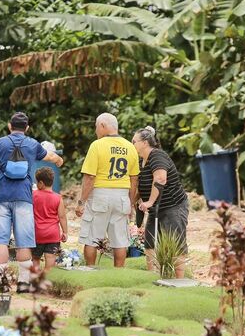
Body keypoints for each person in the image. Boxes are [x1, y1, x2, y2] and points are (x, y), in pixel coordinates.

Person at [0, 112, 63, 289]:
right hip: (23, 197)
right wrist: (59, 161)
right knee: (24, 241)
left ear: (9, 126)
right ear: (27, 128)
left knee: (0, 240)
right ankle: (23, 283)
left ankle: (0, 282)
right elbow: (51, 157)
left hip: (0, 197)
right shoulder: (32, 144)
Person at [75, 113, 139, 268]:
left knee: (92, 237)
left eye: (96, 127)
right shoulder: (130, 147)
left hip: (100, 195)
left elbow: (90, 177)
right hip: (122, 196)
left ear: (103, 125)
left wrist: (81, 202)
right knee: (120, 240)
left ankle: (90, 270)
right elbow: (134, 179)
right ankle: (118, 274)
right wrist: (130, 204)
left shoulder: (97, 145)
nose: (96, 131)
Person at [131, 126, 189, 277]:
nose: (132, 144)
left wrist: (149, 202)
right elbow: (140, 186)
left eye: (134, 141)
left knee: (175, 242)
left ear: (144, 142)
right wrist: (132, 202)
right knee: (150, 241)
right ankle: (152, 275)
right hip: (156, 208)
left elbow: (160, 178)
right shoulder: (141, 160)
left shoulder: (157, 155)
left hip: (173, 206)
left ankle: (180, 280)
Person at [32, 167, 67, 272]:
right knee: (50, 260)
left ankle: (35, 281)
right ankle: (47, 281)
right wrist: (65, 232)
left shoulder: (33, 195)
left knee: (35, 259)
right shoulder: (58, 198)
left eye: (37, 182)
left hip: (37, 234)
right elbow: (62, 217)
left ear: (41, 183)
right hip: (53, 235)